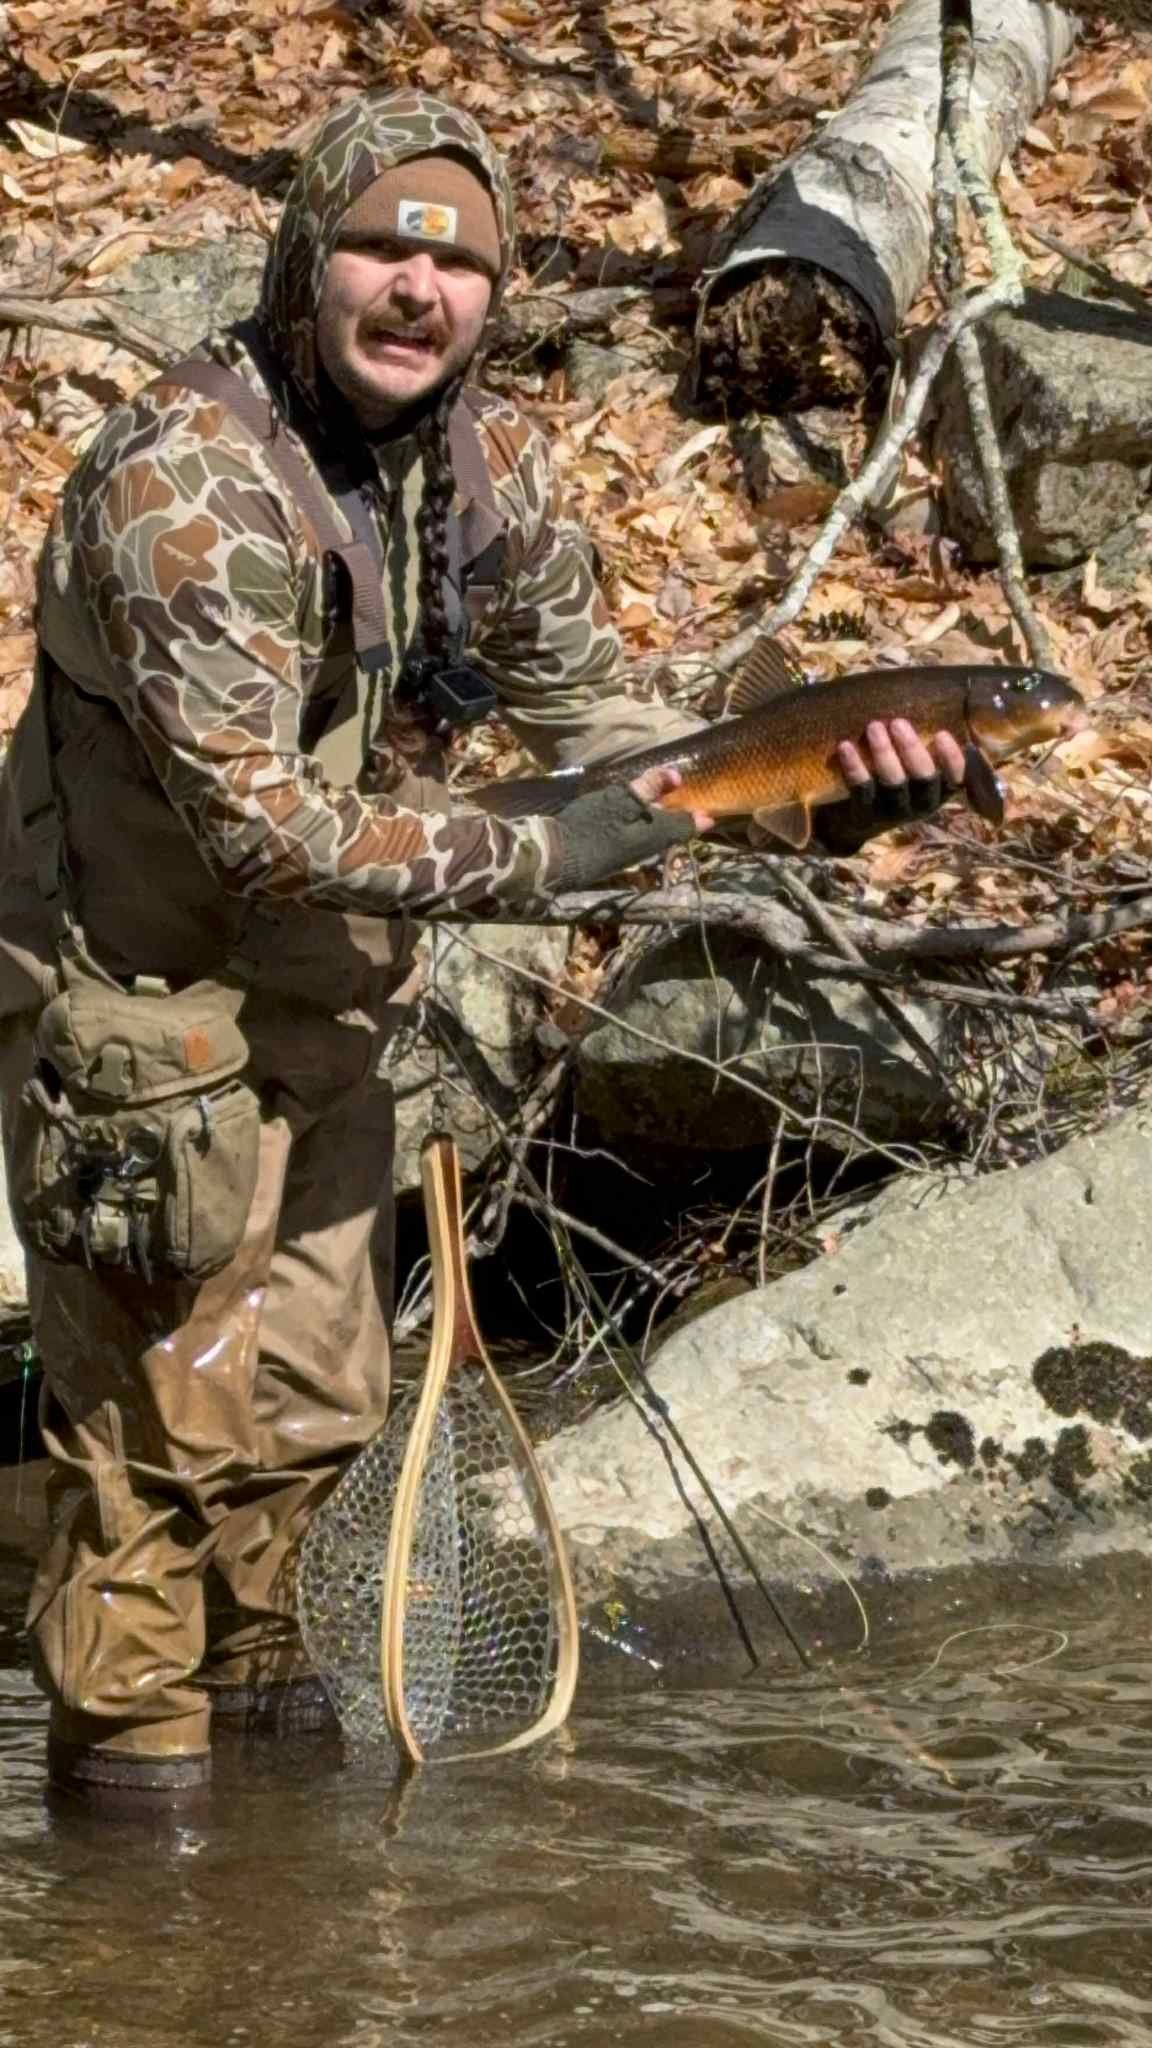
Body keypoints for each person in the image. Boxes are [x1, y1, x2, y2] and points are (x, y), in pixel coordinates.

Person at [0, 90, 964, 1807]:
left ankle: (276, 1900)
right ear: (308, 259)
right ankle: (134, 1892)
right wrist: (550, 850)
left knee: (306, 1426)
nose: (414, 294)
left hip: (326, 1005)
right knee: (151, 1467)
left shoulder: (482, 463)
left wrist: (816, 796)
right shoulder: (185, 492)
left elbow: (601, 717)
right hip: (131, 1024)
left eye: (458, 268)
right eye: (378, 246)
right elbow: (264, 830)